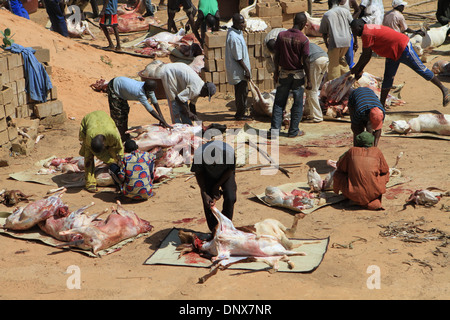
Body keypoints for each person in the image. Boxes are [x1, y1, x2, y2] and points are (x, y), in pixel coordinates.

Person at [350, 19, 450, 107]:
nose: (353, 32)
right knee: (388, 78)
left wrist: (356, 69)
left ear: (359, 26)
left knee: (421, 69)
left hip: (402, 47)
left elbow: (366, 55)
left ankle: (444, 89)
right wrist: (359, 69)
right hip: (392, 52)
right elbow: (366, 55)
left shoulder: (366, 33)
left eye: (354, 30)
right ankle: (381, 105)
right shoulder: (368, 28)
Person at [270, 12, 311, 138]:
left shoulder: (281, 36)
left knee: (279, 103)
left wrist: (276, 72)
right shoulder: (304, 40)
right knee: (297, 104)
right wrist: (309, 79)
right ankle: (293, 131)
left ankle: (274, 132)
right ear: (303, 24)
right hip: (298, 75)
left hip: (284, 74)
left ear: (294, 20)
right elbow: (306, 61)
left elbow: (276, 56)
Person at [333, 131, 390, 210]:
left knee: (338, 174)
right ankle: (371, 200)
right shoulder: (377, 151)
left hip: (352, 193)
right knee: (386, 174)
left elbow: (340, 167)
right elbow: (385, 169)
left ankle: (354, 199)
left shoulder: (351, 151)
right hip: (373, 193)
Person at [191, 140, 236, 234]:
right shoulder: (199, 155)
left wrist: (217, 186)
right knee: (208, 202)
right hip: (207, 176)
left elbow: (230, 171)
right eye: (211, 163)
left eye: (216, 163)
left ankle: (226, 226)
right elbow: (199, 174)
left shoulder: (229, 153)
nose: (214, 165)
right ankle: (213, 229)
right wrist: (204, 192)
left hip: (225, 174)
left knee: (231, 197)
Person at [106, 76, 172, 141]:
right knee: (119, 114)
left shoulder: (147, 86)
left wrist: (161, 117)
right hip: (114, 88)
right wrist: (164, 122)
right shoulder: (140, 93)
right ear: (148, 89)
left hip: (121, 86)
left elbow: (154, 102)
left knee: (125, 110)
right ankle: (123, 136)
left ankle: (125, 134)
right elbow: (150, 110)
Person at [79, 110, 124, 193]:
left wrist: (120, 160)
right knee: (88, 157)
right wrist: (111, 161)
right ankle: (90, 183)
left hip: (104, 120)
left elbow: (119, 148)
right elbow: (100, 154)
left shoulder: (113, 135)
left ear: (104, 143)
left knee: (114, 152)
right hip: (89, 120)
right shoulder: (89, 138)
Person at [225, 13, 252, 121]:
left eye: (243, 22)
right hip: (239, 70)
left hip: (239, 69)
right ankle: (240, 114)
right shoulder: (234, 37)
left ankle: (241, 112)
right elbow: (238, 57)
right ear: (235, 23)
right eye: (241, 23)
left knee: (242, 92)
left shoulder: (236, 32)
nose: (243, 24)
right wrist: (246, 70)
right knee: (242, 93)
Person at [319, 0, 353, 81]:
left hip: (335, 41)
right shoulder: (346, 11)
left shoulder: (327, 14)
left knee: (333, 65)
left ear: (329, 4)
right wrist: (354, 40)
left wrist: (326, 43)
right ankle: (349, 78)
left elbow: (324, 32)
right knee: (341, 60)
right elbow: (353, 25)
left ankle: (335, 83)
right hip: (347, 41)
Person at [304, 43, 329, 123]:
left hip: (315, 60)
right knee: (313, 89)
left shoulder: (297, 46)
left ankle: (317, 117)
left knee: (312, 90)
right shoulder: (306, 43)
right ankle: (309, 113)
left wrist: (308, 80)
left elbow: (305, 62)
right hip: (325, 59)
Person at [340, 0, 361, 68]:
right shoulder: (333, 1)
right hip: (337, 29)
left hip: (348, 30)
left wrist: (351, 20)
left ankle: (350, 71)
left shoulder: (350, 1)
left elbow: (358, 10)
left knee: (349, 54)